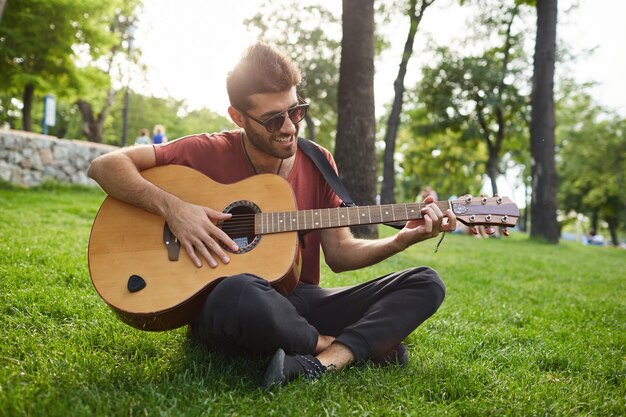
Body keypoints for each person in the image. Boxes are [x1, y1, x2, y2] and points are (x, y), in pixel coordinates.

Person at [87, 42, 456, 390]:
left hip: (301, 300)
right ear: (238, 117)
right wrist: (176, 210)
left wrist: (402, 239)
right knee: (239, 290)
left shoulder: (319, 162)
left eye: (296, 111)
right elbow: (105, 166)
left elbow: (340, 254)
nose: (290, 127)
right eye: (273, 119)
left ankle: (327, 359)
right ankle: (348, 344)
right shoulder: (206, 150)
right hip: (231, 305)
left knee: (426, 282)